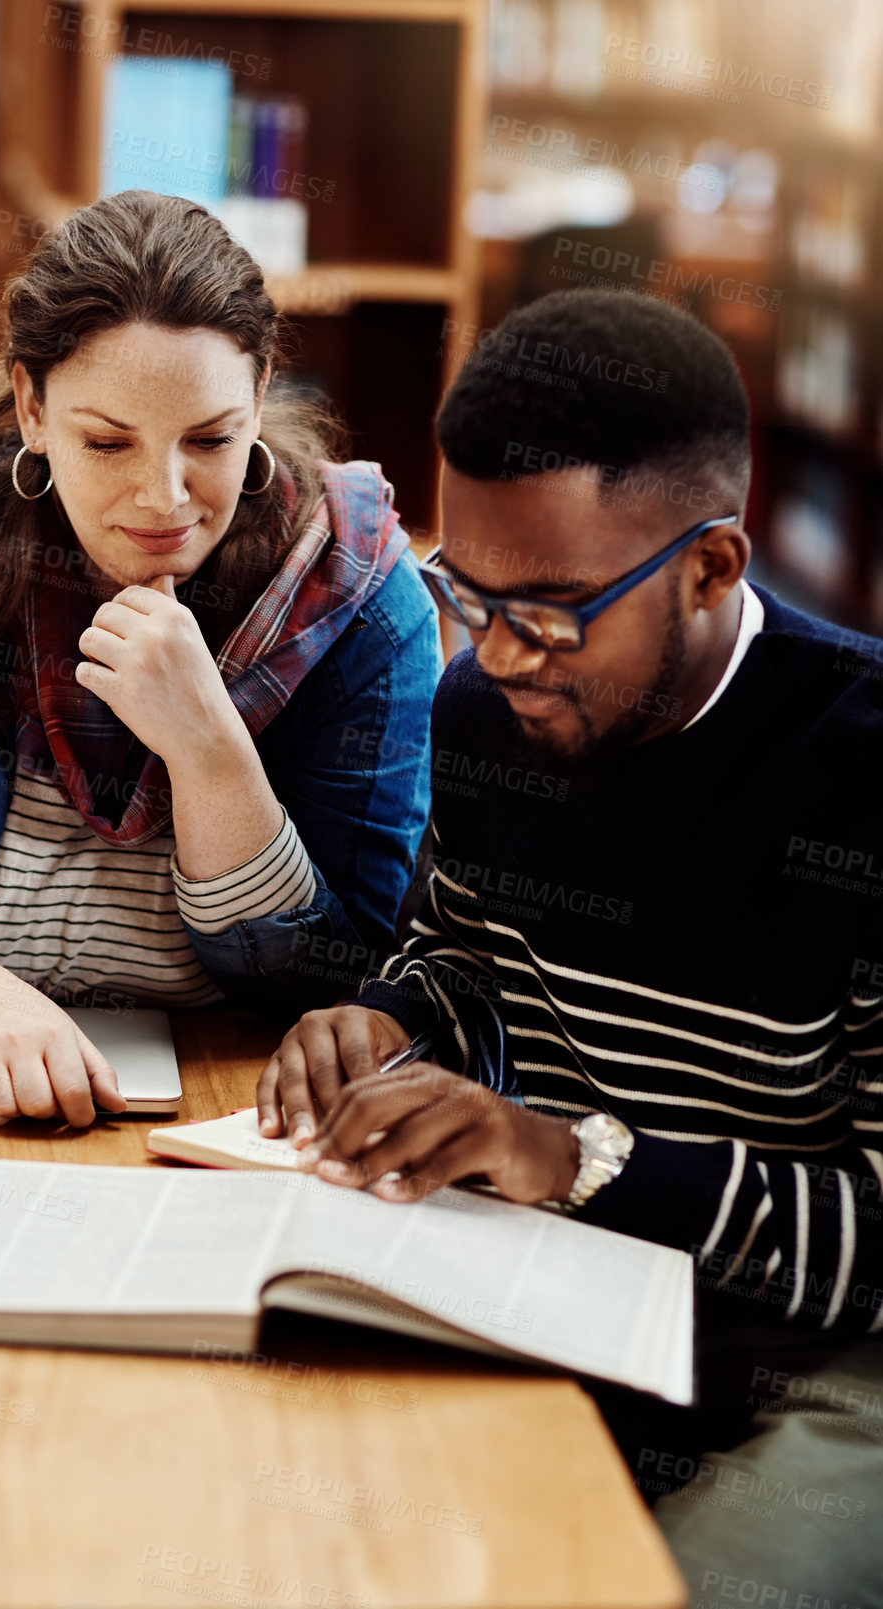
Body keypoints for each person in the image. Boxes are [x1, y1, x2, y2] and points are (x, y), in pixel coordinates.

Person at [257, 289, 883, 1601]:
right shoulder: (487, 712)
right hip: (567, 1283)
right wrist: (394, 1016)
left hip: (823, 1359)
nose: (497, 651)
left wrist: (571, 1152)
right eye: (463, 592)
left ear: (713, 566)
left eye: (547, 608)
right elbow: (463, 957)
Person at [0, 189, 439, 1128]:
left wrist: (211, 754)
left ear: (262, 396)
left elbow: (356, 982)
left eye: (213, 438)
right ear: (32, 406)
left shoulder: (362, 601)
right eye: (108, 442)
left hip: (227, 1116)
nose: (165, 496)